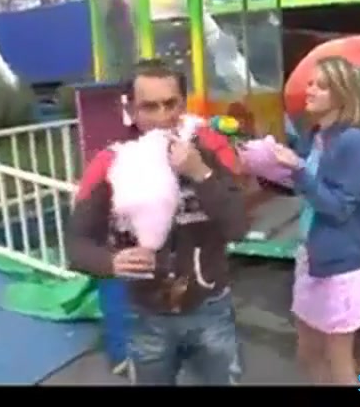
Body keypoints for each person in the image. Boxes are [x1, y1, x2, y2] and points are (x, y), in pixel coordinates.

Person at [66, 58, 248, 385]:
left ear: (183, 104)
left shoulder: (211, 149)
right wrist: (110, 262)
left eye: (170, 104)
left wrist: (201, 174)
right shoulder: (111, 162)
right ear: (131, 110)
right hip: (145, 316)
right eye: (149, 107)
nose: (163, 116)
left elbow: (239, 226)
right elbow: (76, 244)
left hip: (210, 309)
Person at [271, 55, 360, 384]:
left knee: (339, 361)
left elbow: (340, 207)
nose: (310, 90)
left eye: (322, 86)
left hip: (339, 266)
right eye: (311, 83)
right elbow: (307, 185)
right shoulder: (315, 134)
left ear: (342, 94)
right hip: (310, 255)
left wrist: (299, 171)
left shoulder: (352, 141)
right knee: (308, 352)